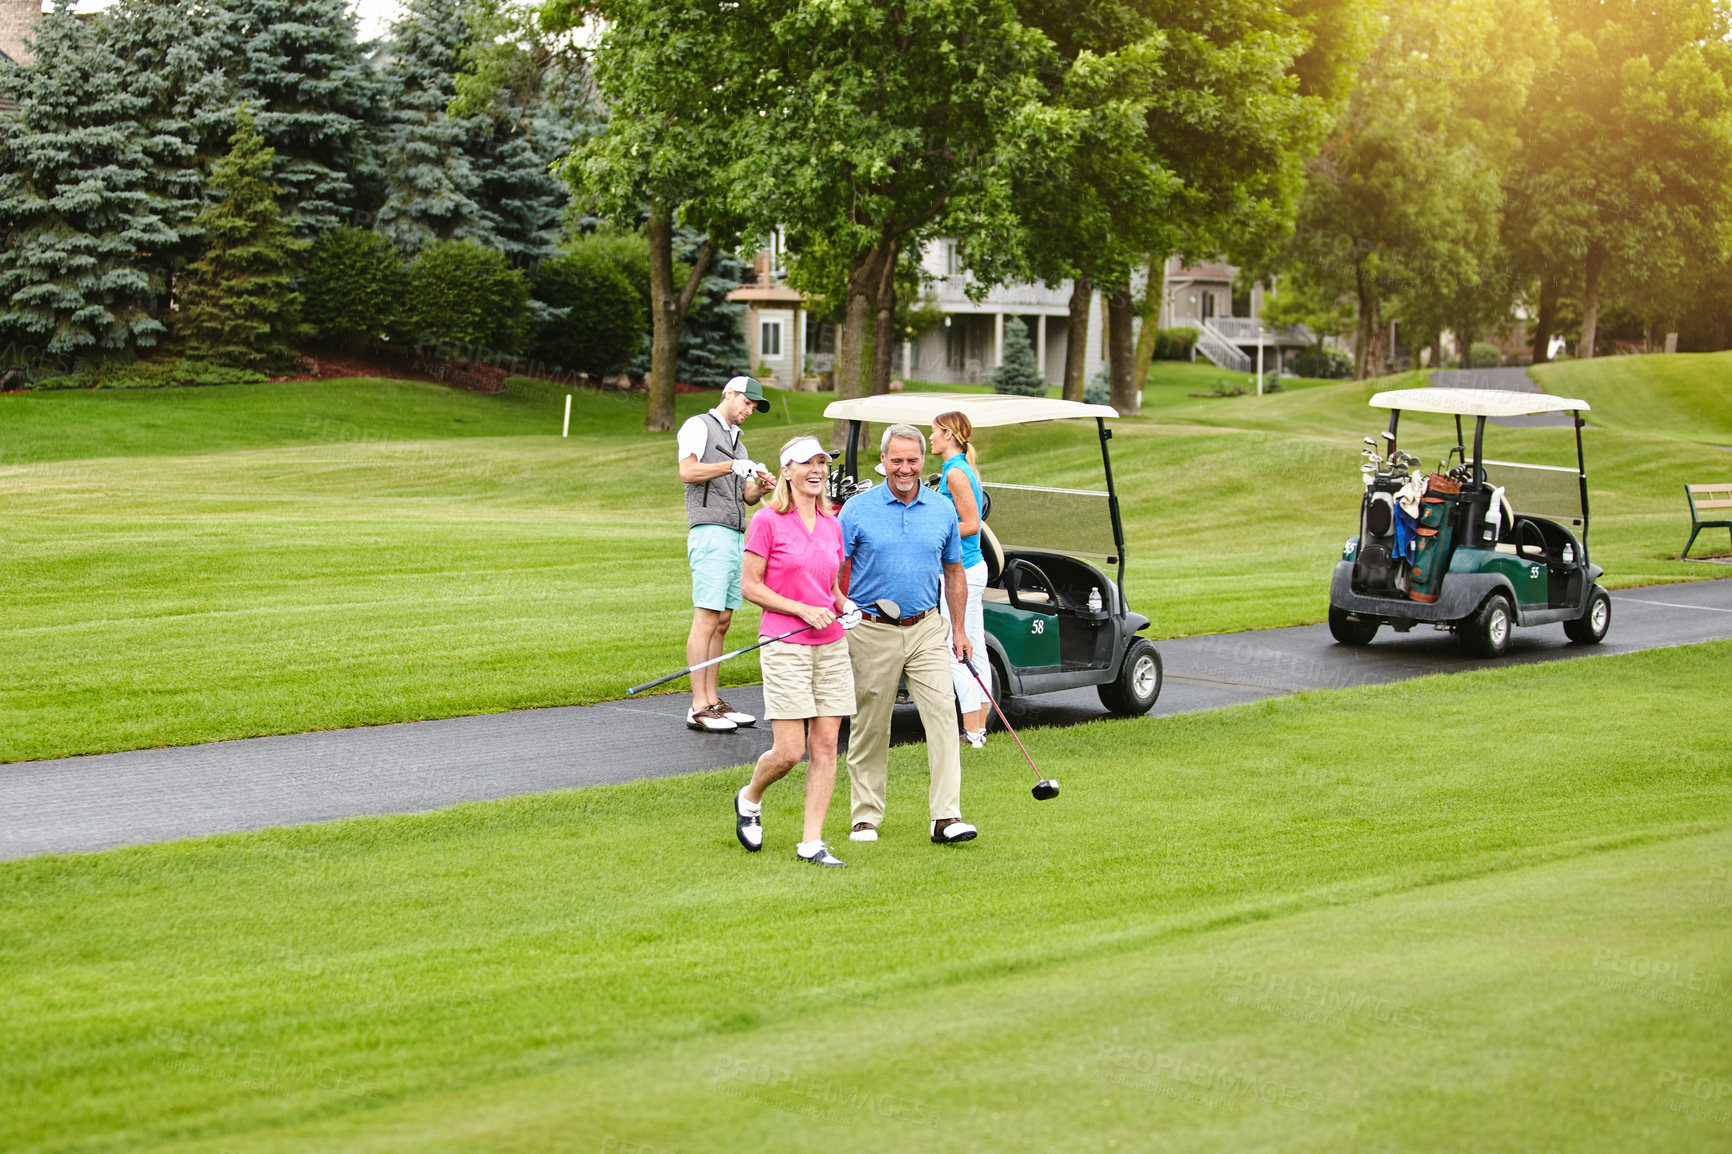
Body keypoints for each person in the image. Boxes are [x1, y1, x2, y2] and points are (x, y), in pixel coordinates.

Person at [839, 423, 978, 846]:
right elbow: (833, 571)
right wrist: (837, 611)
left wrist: (958, 629)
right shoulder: (857, 510)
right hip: (869, 630)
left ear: (923, 461)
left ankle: (946, 817)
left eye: (912, 459)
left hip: (927, 628)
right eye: (896, 460)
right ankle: (865, 817)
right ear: (882, 462)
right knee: (870, 725)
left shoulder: (941, 509)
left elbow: (954, 571)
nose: (904, 468)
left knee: (942, 717)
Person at [732, 436, 859, 867]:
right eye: (807, 463)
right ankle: (750, 798)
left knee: (825, 747)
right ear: (786, 470)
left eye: (822, 462)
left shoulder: (832, 523)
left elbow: (833, 588)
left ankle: (812, 842)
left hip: (831, 646)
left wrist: (845, 605)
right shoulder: (767, 521)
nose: (817, 470)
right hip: (785, 643)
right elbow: (751, 586)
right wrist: (802, 609)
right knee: (789, 752)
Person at [676, 375, 773, 733]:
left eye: (754, 407)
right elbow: (687, 471)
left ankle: (713, 700)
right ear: (728, 395)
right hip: (709, 531)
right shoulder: (699, 426)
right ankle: (698, 706)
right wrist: (731, 465)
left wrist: (759, 487)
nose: (749, 410)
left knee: (723, 621)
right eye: (746, 402)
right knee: (706, 618)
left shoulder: (739, 445)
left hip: (734, 534)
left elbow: (745, 497)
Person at [931, 410, 989, 749]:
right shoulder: (955, 469)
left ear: (950, 435)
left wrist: (938, 536)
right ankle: (977, 730)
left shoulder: (955, 473)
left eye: (935, 432)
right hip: (969, 569)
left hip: (960, 571)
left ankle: (971, 733)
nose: (931, 438)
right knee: (975, 648)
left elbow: (971, 523)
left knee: (956, 648)